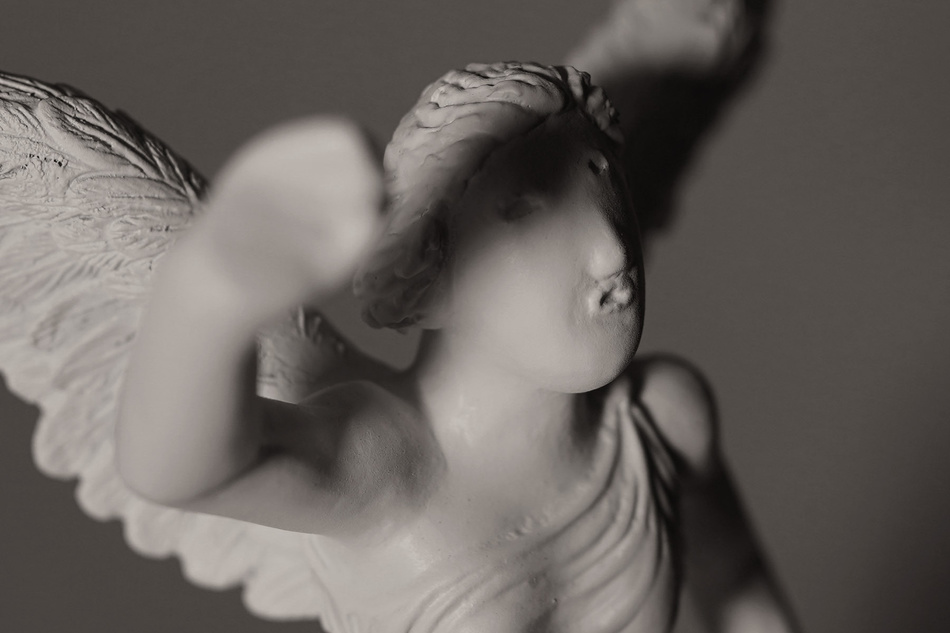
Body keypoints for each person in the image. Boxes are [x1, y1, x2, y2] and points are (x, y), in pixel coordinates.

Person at [116, 60, 798, 632]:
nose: (611, 249)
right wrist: (212, 291)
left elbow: (740, 589)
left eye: (603, 176)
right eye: (527, 214)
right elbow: (181, 471)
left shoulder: (663, 417)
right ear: (430, 274)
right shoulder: (390, 467)